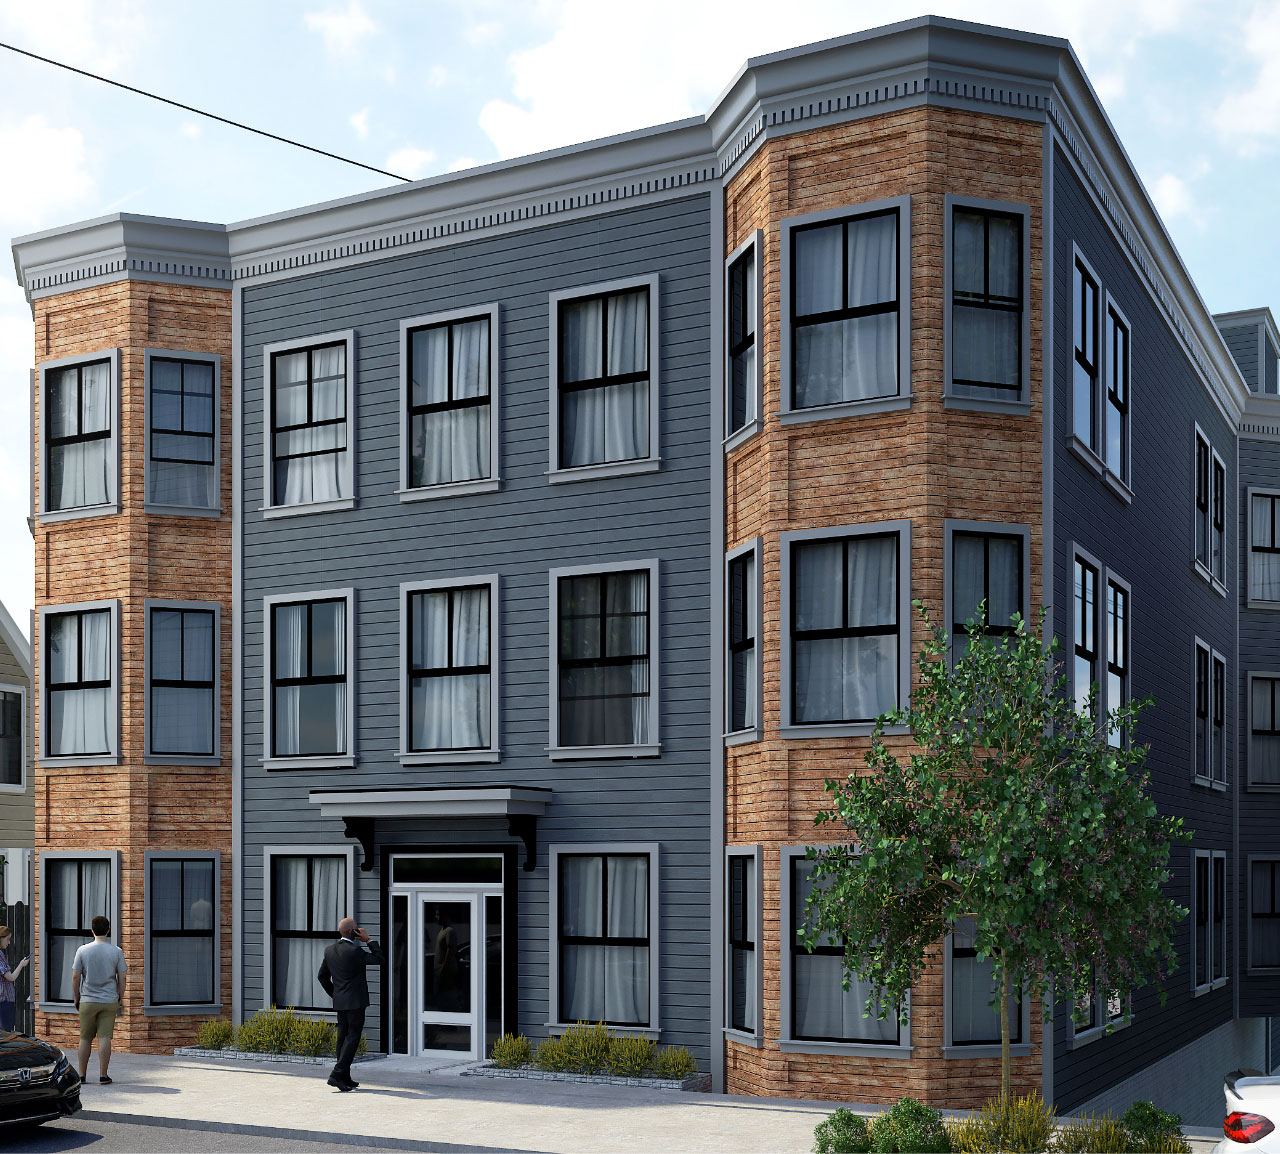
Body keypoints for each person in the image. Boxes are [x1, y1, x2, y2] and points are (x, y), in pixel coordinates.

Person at [317, 917, 384, 1092]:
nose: (359, 930)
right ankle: (337, 1074)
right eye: (356, 928)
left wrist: (335, 994)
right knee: (352, 1038)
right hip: (355, 1002)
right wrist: (368, 940)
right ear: (350, 932)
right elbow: (379, 959)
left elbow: (322, 977)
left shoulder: (329, 950)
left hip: (340, 1001)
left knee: (342, 1038)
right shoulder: (354, 950)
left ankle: (344, 1077)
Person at [72, 915, 127, 1085]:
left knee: (85, 1038)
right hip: (109, 1000)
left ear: (92, 931)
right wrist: (120, 996)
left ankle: (82, 1075)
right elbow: (123, 977)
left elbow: (75, 976)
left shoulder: (82, 950)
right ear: (108, 931)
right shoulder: (116, 951)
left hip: (88, 1000)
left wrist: (76, 997)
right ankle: (103, 1075)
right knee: (104, 1037)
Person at [0, 927, 28, 1033]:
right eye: (8, 939)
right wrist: (21, 964)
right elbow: (11, 977)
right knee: (6, 1035)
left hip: (4, 1001)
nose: (9, 942)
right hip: (4, 1001)